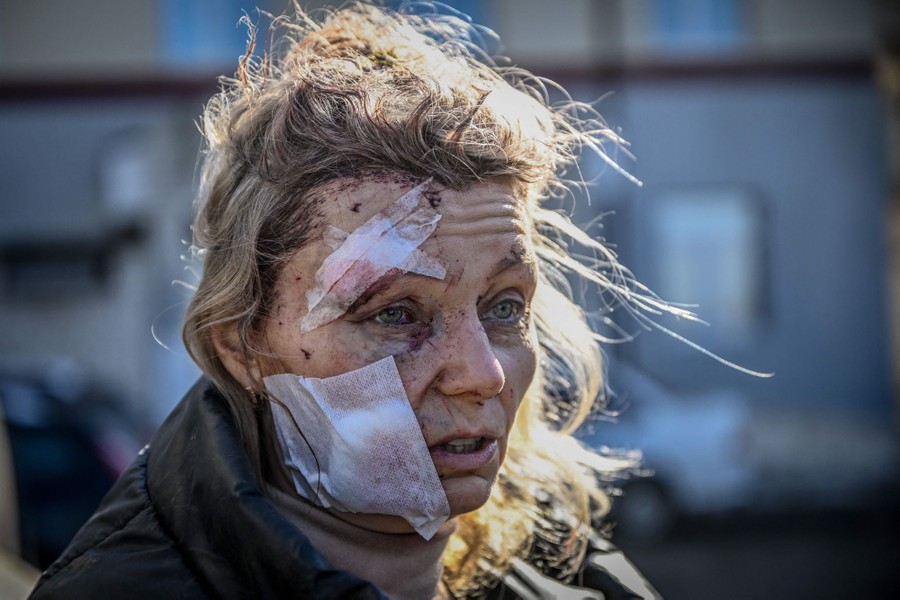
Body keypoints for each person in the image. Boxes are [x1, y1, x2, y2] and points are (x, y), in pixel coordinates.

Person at [30, 3, 661, 598]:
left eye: (503, 307)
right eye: (394, 313)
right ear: (242, 345)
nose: (484, 374)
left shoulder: (566, 565)